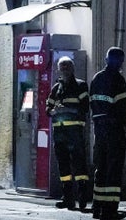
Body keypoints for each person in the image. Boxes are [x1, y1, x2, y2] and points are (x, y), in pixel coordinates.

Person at [89, 47, 126, 220]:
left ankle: (97, 207)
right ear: (120, 62)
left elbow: (92, 104)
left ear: (106, 59)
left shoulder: (96, 78)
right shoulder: (118, 79)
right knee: (114, 169)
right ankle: (110, 209)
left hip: (99, 129)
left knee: (101, 168)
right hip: (114, 130)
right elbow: (123, 109)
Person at [45, 56, 90, 210]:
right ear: (58, 69)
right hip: (59, 132)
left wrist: (67, 110)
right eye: (61, 67)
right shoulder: (56, 89)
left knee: (79, 164)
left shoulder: (80, 85)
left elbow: (85, 108)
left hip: (75, 132)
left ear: (73, 68)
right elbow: (47, 110)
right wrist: (53, 111)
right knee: (63, 165)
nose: (64, 69)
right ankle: (68, 198)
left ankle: (83, 196)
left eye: (67, 66)